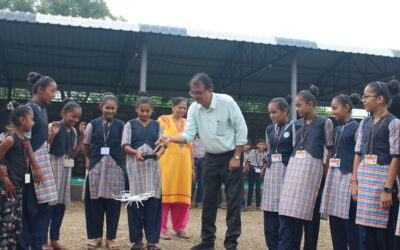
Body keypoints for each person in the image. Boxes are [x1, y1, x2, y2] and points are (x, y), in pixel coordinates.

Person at [156, 73, 248, 250]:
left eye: (199, 92)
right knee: (209, 201)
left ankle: (231, 243)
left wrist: (236, 157)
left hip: (231, 156)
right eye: (193, 93)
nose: (196, 97)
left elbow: (241, 130)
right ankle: (207, 241)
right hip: (211, 158)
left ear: (209, 90)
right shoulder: (194, 109)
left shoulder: (226, 102)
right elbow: (189, 135)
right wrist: (169, 138)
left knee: (233, 201)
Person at [278, 85, 333, 250]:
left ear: (310, 104)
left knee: (311, 216)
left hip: (313, 173)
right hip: (296, 172)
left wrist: (325, 176)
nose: (297, 108)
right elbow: (294, 146)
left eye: (299, 105)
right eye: (295, 105)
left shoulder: (325, 122)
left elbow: (329, 150)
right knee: (293, 214)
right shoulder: (296, 124)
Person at [352, 81, 400, 250]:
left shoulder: (394, 123)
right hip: (365, 182)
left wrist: (387, 190)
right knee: (365, 233)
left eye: (366, 96)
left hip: (382, 184)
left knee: (382, 235)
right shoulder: (364, 123)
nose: (363, 99)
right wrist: (355, 183)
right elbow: (358, 154)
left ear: (380, 98)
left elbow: (396, 157)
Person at [122, 93, 166, 250]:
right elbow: (125, 145)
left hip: (152, 171)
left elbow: (162, 145)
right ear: (136, 110)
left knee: (153, 206)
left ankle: (152, 241)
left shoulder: (157, 125)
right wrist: (135, 153)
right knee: (135, 206)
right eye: (142, 111)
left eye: (147, 111)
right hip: (135, 170)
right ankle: (137, 241)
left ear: (152, 111)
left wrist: (159, 154)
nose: (144, 114)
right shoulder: (130, 124)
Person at [21, 72, 59, 250]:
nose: (54, 94)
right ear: (40, 89)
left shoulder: (42, 110)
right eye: (52, 91)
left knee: (42, 206)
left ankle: (37, 243)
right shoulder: (28, 110)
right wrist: (35, 168)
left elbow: (41, 140)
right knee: (31, 207)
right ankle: (26, 244)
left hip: (41, 163)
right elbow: (25, 141)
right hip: (30, 167)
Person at [83, 94, 125, 250]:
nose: (110, 110)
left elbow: (125, 146)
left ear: (116, 109)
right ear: (101, 107)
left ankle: (111, 238)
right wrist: (90, 159)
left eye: (113, 108)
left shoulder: (122, 125)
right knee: (95, 203)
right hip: (97, 169)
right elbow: (86, 146)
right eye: (107, 107)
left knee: (113, 204)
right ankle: (97, 237)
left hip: (115, 169)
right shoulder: (92, 125)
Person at [319, 94, 361, 250]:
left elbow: (360, 155)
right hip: (334, 177)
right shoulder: (336, 129)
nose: (333, 111)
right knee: (335, 219)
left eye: (335, 108)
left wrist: (356, 179)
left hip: (348, 177)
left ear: (346, 107)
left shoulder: (357, 128)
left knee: (349, 220)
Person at [0, 105, 42, 249]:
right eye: (32, 119)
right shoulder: (10, 140)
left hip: (18, 186)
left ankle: (12, 246)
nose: (34, 123)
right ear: (22, 120)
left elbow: (31, 157)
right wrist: (5, 179)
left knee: (16, 222)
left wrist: (37, 170)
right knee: (6, 221)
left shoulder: (25, 140)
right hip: (7, 187)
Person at [46, 99, 86, 249]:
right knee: (49, 205)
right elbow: (44, 149)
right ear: (63, 113)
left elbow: (74, 153)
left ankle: (54, 239)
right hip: (52, 170)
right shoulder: (53, 126)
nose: (75, 120)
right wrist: (52, 135)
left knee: (60, 205)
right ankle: (43, 239)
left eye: (77, 117)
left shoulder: (74, 131)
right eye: (72, 116)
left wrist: (81, 136)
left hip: (65, 173)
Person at [261, 96, 294, 250]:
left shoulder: (295, 127)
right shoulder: (269, 129)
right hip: (272, 171)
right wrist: (265, 165)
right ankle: (272, 245)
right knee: (269, 210)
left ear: (285, 111)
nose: (271, 115)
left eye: (274, 112)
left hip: (287, 171)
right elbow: (268, 150)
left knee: (284, 212)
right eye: (270, 113)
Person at [158, 97, 193, 240]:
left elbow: (191, 147)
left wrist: (193, 165)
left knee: (182, 196)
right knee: (165, 194)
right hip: (167, 162)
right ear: (173, 107)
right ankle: (161, 228)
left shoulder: (188, 123)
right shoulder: (163, 119)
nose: (182, 110)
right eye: (179, 107)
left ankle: (180, 227)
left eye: (185, 108)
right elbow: (160, 139)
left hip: (184, 163)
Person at [244, 139, 267, 209]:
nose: (261, 146)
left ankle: (258, 205)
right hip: (252, 169)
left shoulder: (264, 154)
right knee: (250, 187)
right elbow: (247, 160)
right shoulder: (252, 152)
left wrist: (262, 170)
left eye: (263, 145)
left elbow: (266, 162)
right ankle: (249, 204)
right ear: (257, 145)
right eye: (260, 144)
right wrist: (246, 167)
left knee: (258, 188)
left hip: (259, 170)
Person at [192, 134, 205, 208]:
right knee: (193, 181)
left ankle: (199, 201)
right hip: (194, 159)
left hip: (203, 159)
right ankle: (189, 200)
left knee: (202, 181)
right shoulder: (192, 138)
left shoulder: (205, 137)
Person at [241, 141, 251, 212]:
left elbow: (248, 162)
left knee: (241, 188)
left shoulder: (250, 153)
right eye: (245, 145)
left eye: (248, 145)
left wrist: (244, 169)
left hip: (243, 170)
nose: (246, 146)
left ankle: (242, 205)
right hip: (234, 169)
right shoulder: (235, 152)